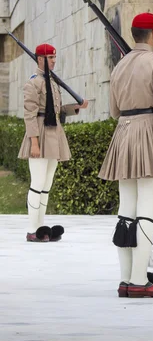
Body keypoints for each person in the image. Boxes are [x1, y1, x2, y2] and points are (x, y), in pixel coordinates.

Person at [98, 13, 153, 298]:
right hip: (150, 137)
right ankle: (139, 281)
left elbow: (113, 111)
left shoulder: (120, 65)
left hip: (123, 137)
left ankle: (126, 280)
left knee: (127, 214)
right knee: (147, 214)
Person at [18, 43, 88, 243]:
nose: (54, 61)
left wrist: (76, 107)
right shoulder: (33, 83)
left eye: (54, 57)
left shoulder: (53, 81)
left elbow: (55, 110)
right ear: (40, 59)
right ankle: (32, 229)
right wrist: (34, 143)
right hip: (39, 133)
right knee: (37, 183)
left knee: (46, 185)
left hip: (54, 133)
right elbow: (30, 115)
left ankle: (42, 229)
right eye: (50, 58)